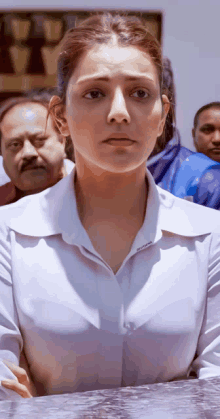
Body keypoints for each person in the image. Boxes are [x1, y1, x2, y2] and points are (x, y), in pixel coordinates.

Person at [1, 13, 220, 400]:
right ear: (60, 117)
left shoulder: (209, 236)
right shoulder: (8, 232)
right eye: (95, 93)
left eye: (139, 93)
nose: (119, 111)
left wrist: (48, 403)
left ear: (162, 116)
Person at [147, 60, 220, 209]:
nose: (217, 139)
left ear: (166, 107)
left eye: (140, 93)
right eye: (96, 94)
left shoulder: (208, 179)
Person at [0, 91, 74, 206]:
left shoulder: (98, 199)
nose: (28, 153)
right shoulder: (3, 203)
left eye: (39, 140)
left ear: (62, 142)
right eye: (15, 145)